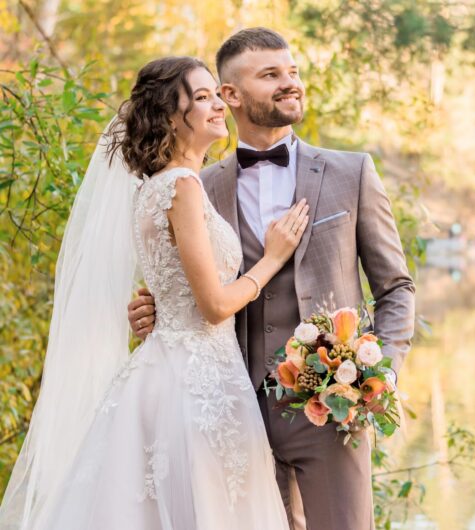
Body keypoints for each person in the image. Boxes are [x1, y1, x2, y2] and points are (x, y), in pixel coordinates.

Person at [0, 56, 308, 529]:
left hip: (166, 371)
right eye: (201, 98)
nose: (217, 107)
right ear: (169, 115)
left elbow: (173, 287)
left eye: (215, 95)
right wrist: (273, 256)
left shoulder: (153, 188)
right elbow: (213, 306)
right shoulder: (183, 186)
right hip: (199, 383)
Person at [129, 28, 416, 530]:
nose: (290, 84)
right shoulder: (198, 182)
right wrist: (153, 308)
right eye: (271, 75)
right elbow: (190, 280)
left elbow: (395, 288)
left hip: (329, 410)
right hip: (228, 409)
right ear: (231, 96)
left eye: (293, 72)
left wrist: (379, 374)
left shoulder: (352, 173)